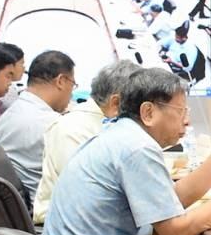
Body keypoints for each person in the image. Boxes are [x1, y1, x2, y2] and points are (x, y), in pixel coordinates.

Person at [43, 68, 211, 235]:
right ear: (148, 112)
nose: (187, 121)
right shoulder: (138, 148)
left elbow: (170, 200)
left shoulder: (119, 134)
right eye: (181, 111)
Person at [33, 59, 139, 224]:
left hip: (96, 219)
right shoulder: (72, 129)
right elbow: (88, 194)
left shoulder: (106, 122)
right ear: (116, 102)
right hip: (67, 225)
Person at [0, 49, 75, 199]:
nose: (71, 93)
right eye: (73, 84)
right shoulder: (54, 125)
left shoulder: (9, 114)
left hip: (18, 204)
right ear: (61, 81)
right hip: (43, 208)